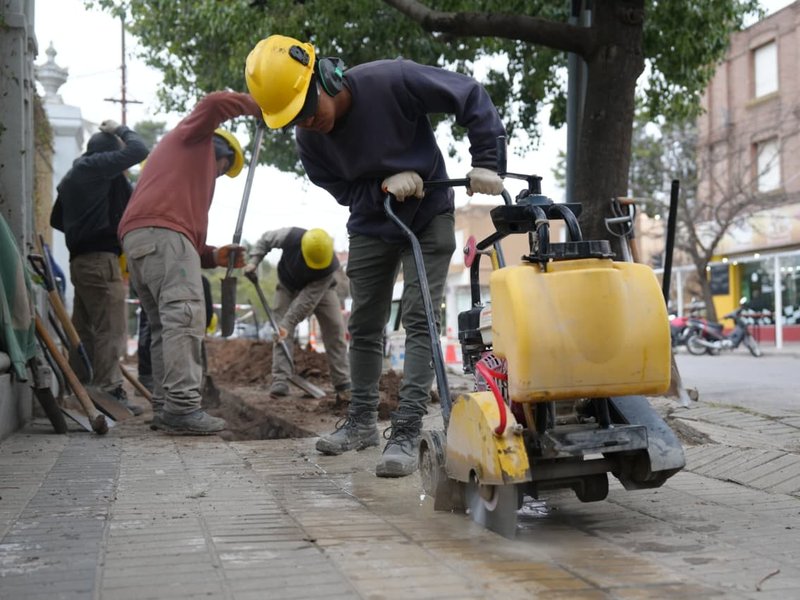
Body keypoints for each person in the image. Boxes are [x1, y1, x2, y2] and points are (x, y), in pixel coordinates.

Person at [245, 35, 506, 477]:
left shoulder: (392, 81)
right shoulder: (309, 140)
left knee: (421, 317)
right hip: (371, 220)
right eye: (296, 119)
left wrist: (487, 159)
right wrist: (382, 186)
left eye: (309, 110)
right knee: (364, 322)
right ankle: (362, 421)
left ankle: (406, 429)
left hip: (428, 214)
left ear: (325, 77)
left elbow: (468, 94)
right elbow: (343, 190)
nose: (308, 123)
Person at [118, 90, 262, 435]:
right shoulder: (193, 137)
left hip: (139, 239)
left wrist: (214, 256)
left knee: (162, 326)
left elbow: (187, 244)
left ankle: (165, 406)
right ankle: (182, 407)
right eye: (224, 168)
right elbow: (214, 104)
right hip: (162, 236)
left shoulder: (177, 178)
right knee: (184, 316)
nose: (218, 175)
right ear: (220, 149)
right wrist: (261, 107)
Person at [50, 119, 149, 416]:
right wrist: (119, 130)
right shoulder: (95, 166)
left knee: (85, 329)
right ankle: (109, 391)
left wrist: (83, 221)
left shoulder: (71, 177)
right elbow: (139, 149)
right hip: (99, 260)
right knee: (111, 329)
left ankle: (83, 390)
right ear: (106, 154)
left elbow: (57, 220)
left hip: (80, 262)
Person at [243, 227, 351, 400]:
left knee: (335, 328)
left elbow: (306, 302)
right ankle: (281, 379)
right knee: (281, 331)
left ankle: (343, 381)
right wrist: (254, 261)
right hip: (288, 286)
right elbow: (265, 239)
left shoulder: (329, 267)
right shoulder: (291, 237)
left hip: (321, 290)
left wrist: (289, 322)